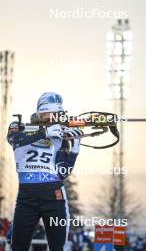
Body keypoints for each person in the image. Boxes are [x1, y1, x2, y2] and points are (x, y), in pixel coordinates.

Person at [7, 92, 82, 251]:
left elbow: (61, 172)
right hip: (27, 197)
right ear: (42, 112)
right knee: (18, 246)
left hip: (53, 194)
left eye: (58, 114)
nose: (55, 117)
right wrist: (45, 132)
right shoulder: (19, 127)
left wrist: (74, 149)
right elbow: (13, 139)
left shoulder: (59, 135)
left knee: (57, 247)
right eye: (52, 113)